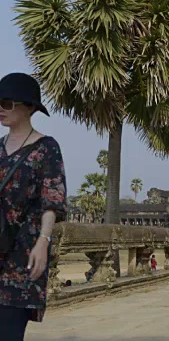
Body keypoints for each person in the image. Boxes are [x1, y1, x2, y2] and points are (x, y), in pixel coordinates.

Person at [0, 73, 67, 340]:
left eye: (6, 103)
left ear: (28, 107)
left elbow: (52, 198)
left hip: (22, 255)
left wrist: (43, 240)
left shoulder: (46, 148)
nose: (0, 110)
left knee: (9, 331)